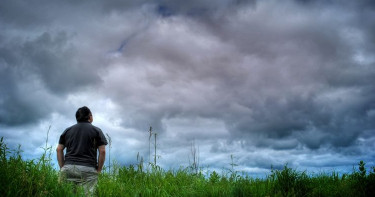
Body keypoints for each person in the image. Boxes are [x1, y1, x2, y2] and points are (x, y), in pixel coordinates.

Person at [56, 106, 107, 195]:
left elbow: (59, 149)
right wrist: (99, 170)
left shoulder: (68, 130)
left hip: (68, 168)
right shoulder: (97, 131)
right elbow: (102, 151)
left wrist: (62, 167)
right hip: (88, 170)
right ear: (90, 116)